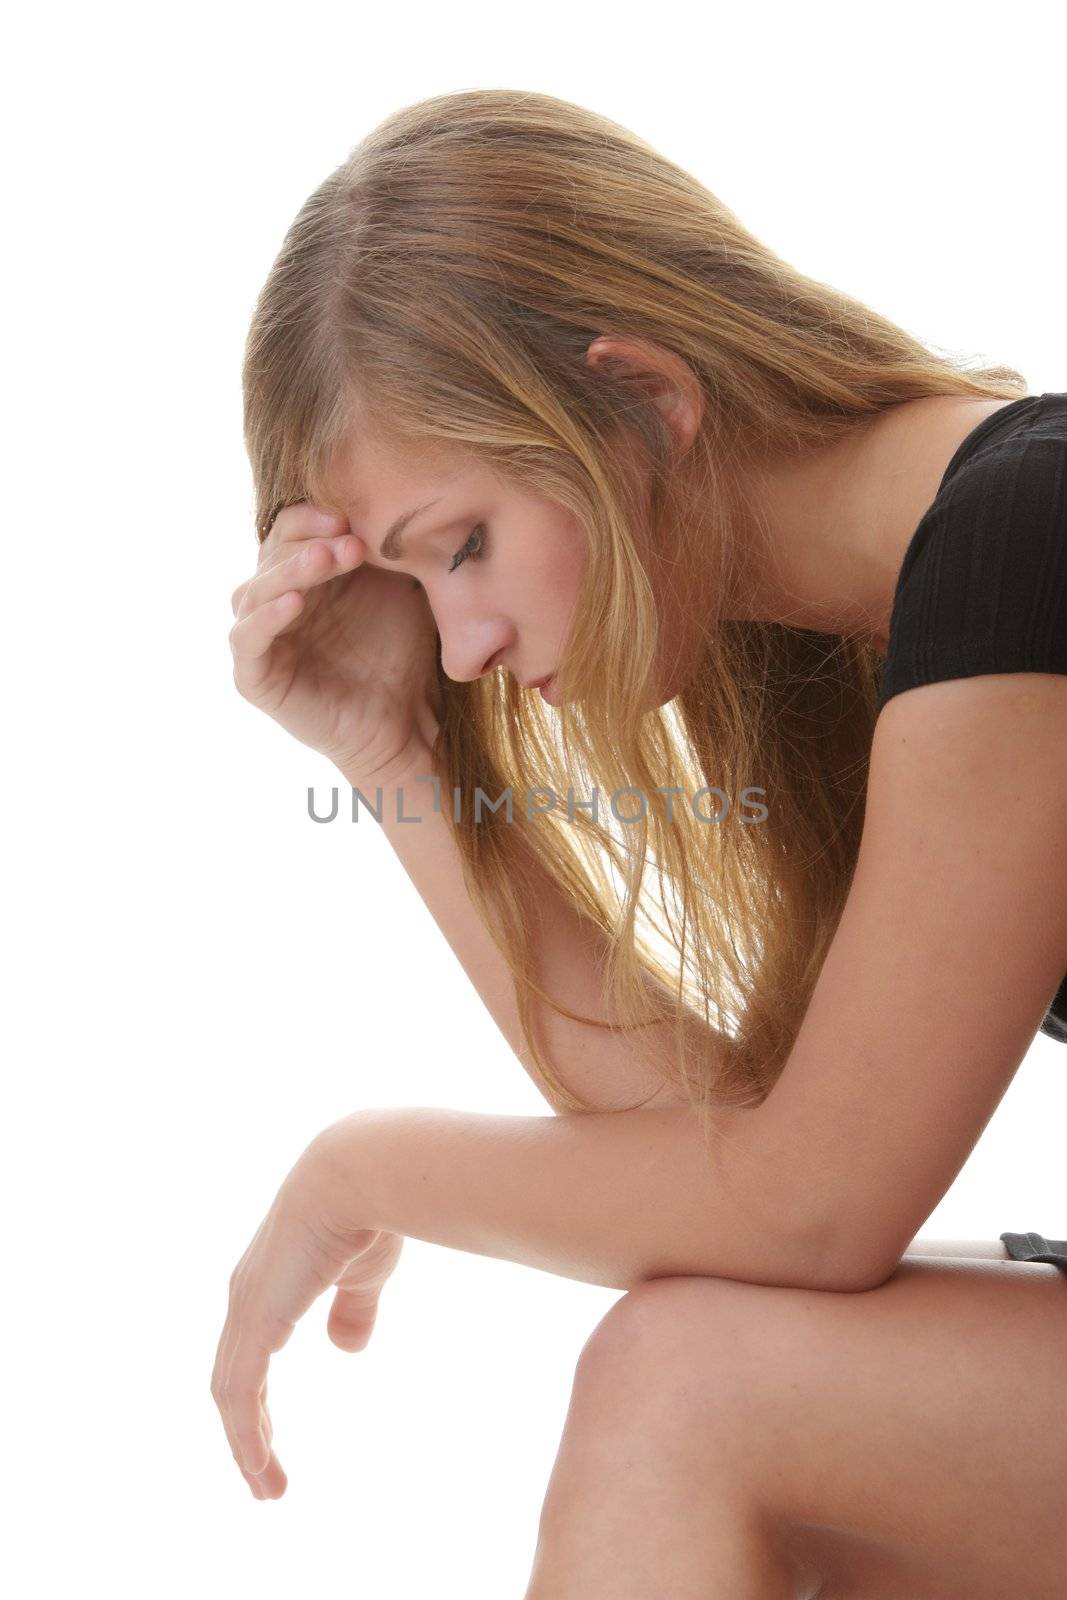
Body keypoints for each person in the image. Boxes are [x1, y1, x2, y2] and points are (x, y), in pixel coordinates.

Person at [212, 88, 1067, 1598]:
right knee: (715, 1383)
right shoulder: (885, 626)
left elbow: (809, 1207)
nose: (465, 650)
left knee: (689, 1389)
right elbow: (723, 1156)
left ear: (649, 400)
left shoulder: (1032, 541)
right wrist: (394, 749)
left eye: (461, 547)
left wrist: (360, 1169)